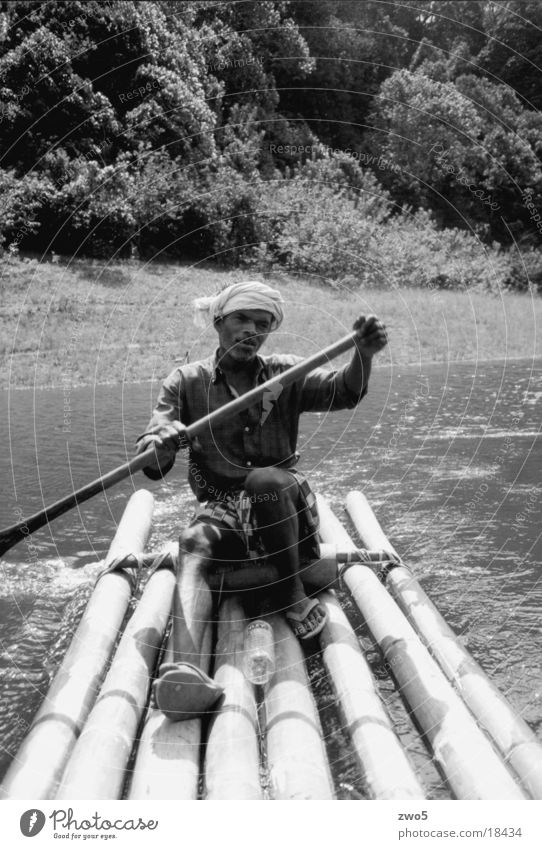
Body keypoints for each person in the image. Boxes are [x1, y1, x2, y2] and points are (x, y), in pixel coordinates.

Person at [136, 281, 387, 721]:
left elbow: (343, 392)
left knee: (264, 480)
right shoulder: (186, 381)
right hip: (221, 509)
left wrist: (362, 355)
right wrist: (162, 441)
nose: (251, 330)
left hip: (282, 504)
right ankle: (185, 672)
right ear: (219, 322)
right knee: (192, 542)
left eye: (262, 323)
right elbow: (152, 463)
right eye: (241, 320)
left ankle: (290, 592)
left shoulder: (286, 372)